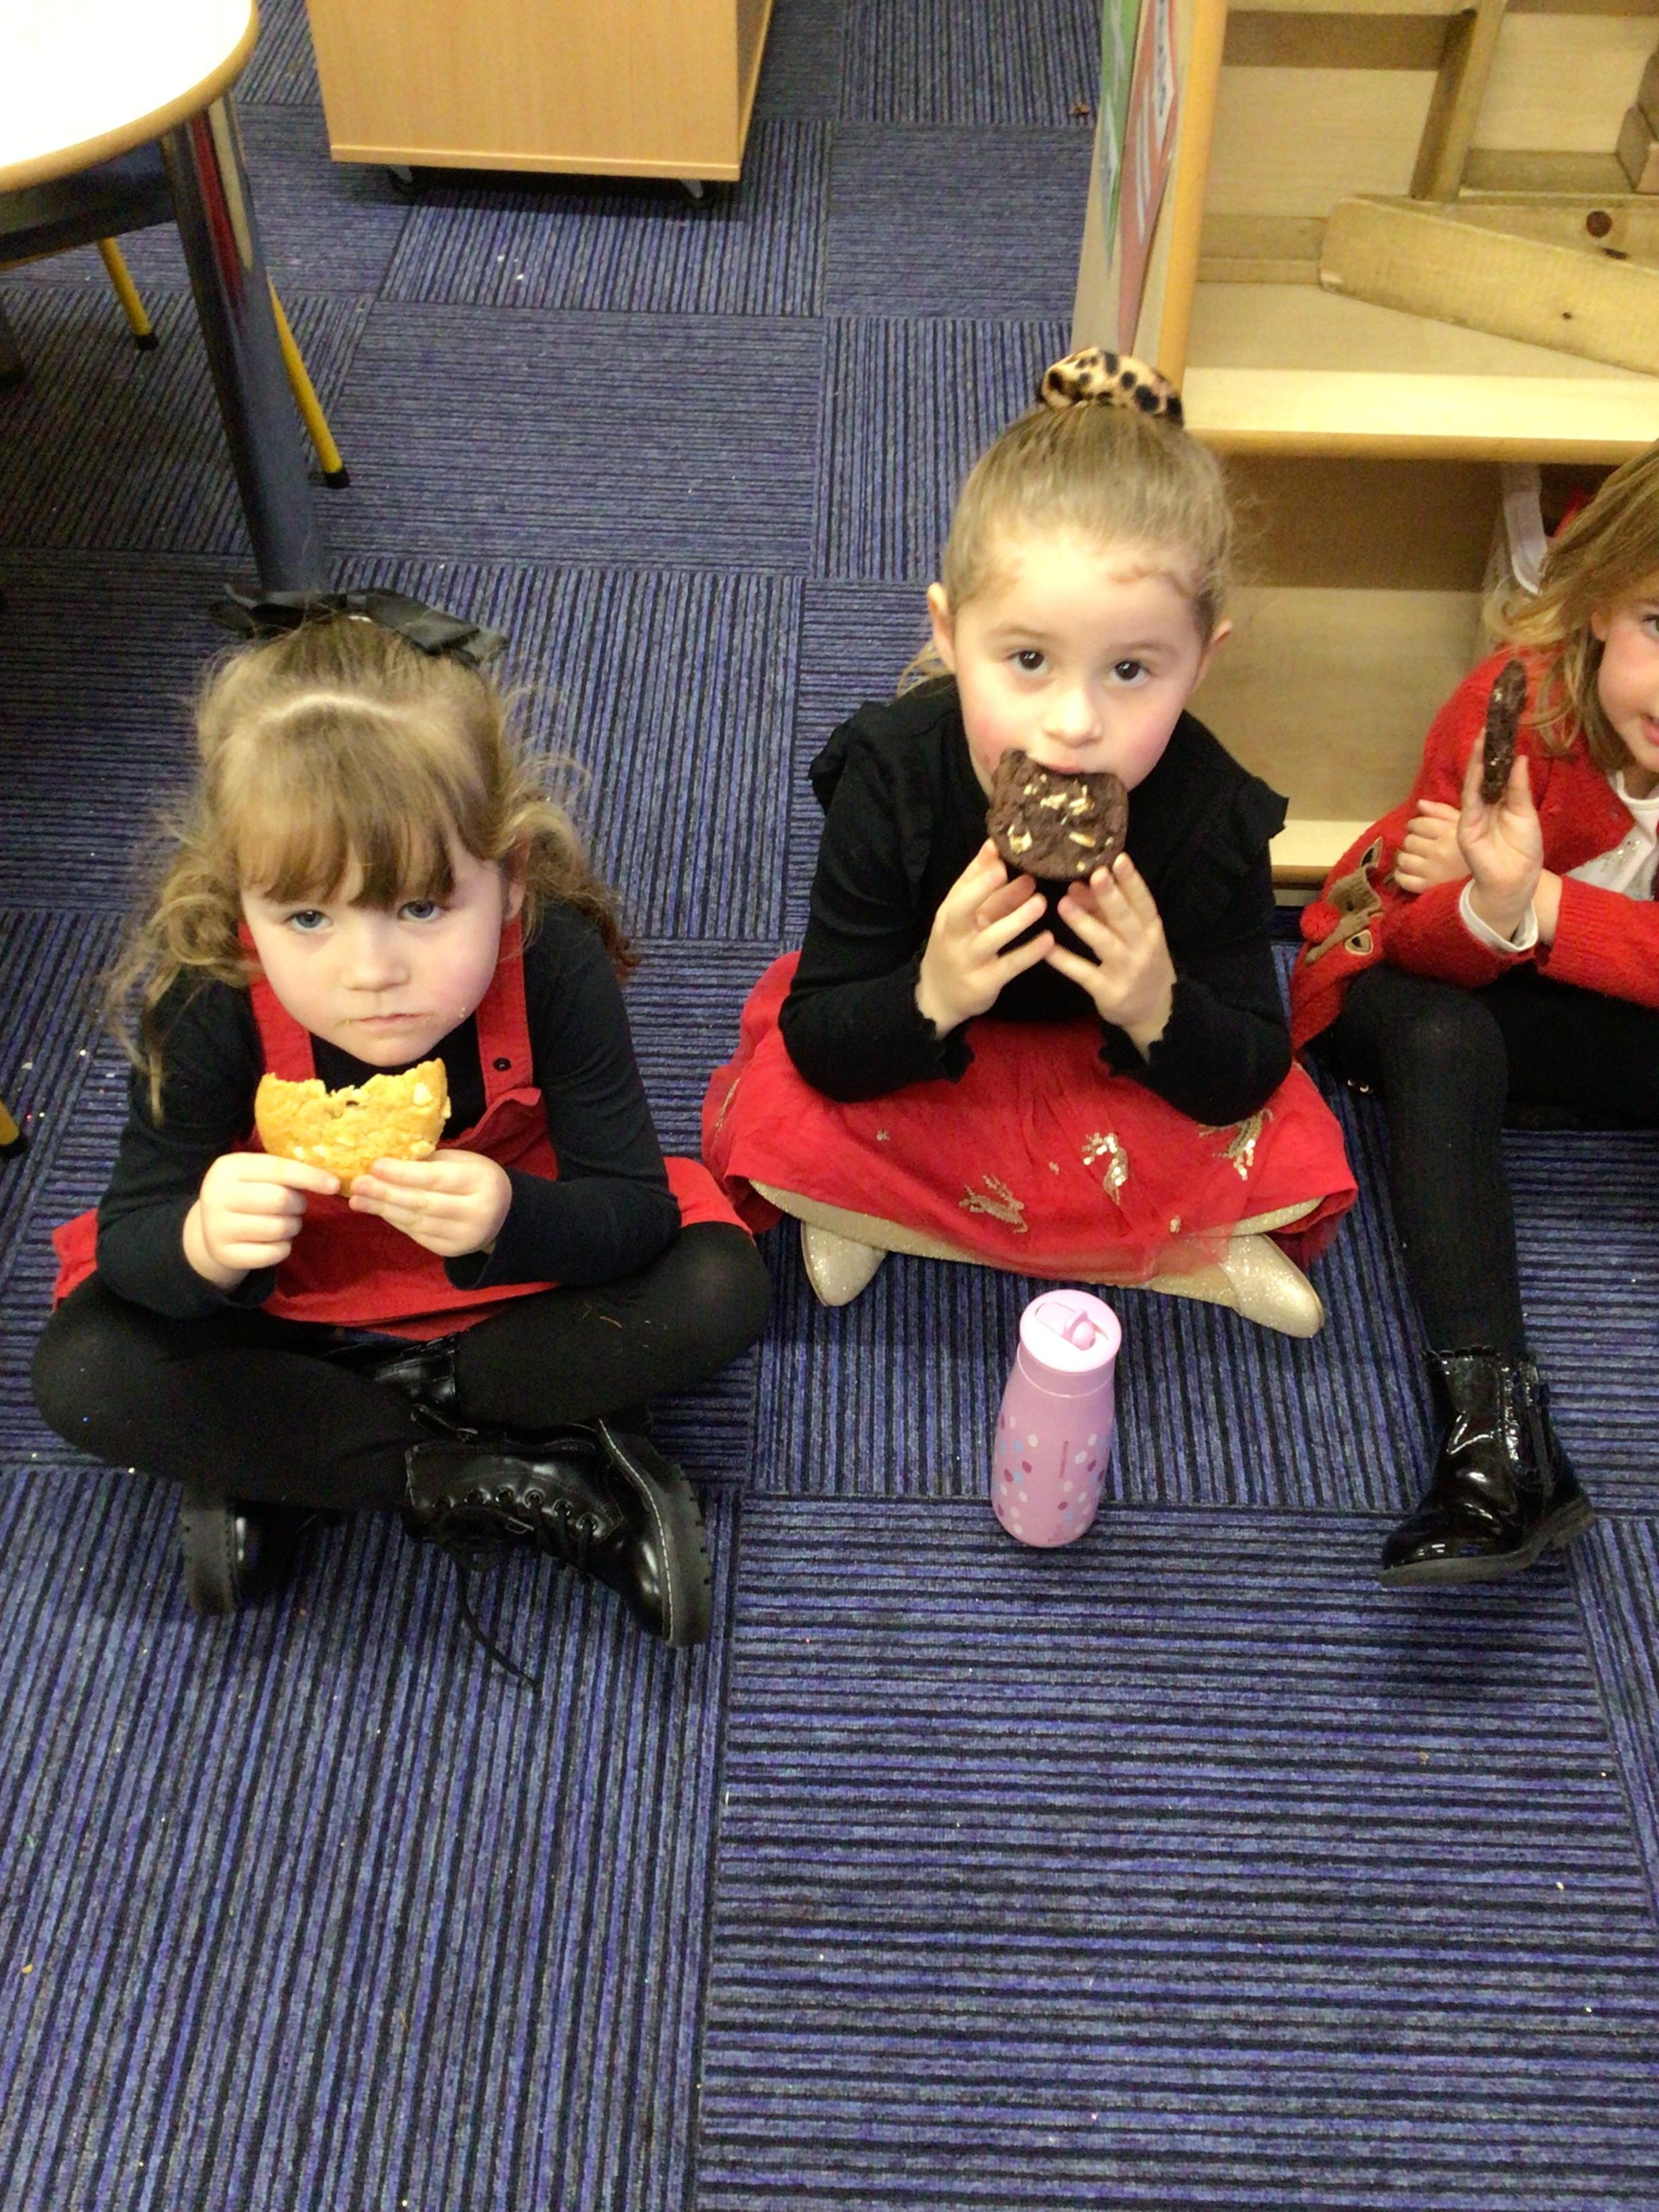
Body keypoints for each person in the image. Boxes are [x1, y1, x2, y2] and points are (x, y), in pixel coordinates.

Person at [32, 613, 770, 1654]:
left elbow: (633, 1210)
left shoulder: (550, 960)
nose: (371, 972)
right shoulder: (211, 990)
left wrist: (511, 1218)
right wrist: (200, 1244)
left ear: (510, 877)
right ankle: (495, 1471)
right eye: (307, 920)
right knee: (85, 1373)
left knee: (719, 1285)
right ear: (242, 905)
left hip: (511, 1292)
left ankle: (298, 1455)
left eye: (422, 908)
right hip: (297, 1300)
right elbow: (133, 1233)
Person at [703, 349, 1356, 1332]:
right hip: (940, 1062)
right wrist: (933, 993)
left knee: (1288, 1128)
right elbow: (827, 1032)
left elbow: (1250, 1065)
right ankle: (1171, 1250)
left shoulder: (1210, 814)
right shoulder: (894, 778)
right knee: (791, 1099)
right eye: (1028, 659)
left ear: (1200, 662)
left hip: (1113, 1067)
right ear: (949, 632)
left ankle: (901, 1215)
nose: (1075, 723)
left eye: (1131, 670)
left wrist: (1157, 1007)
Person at [1289, 448, 1659, 1584]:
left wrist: (1540, 901)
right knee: (1442, 1042)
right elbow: (1412, 940)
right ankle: (1498, 1449)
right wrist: (1493, 905)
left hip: (1575, 991)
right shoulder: (1519, 707)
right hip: (1417, 973)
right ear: (1600, 605)